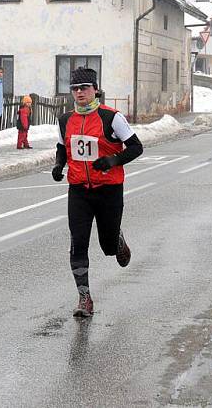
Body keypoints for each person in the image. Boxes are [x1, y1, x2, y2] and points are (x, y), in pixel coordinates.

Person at [52, 67, 143, 318]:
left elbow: (136, 147)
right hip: (79, 191)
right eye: (75, 89)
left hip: (109, 191)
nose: (79, 93)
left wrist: (112, 161)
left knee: (108, 247)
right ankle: (84, 298)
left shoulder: (111, 118)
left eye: (84, 88)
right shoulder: (64, 119)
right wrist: (59, 165)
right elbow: (62, 147)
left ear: (95, 90)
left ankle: (118, 240)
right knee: (78, 244)